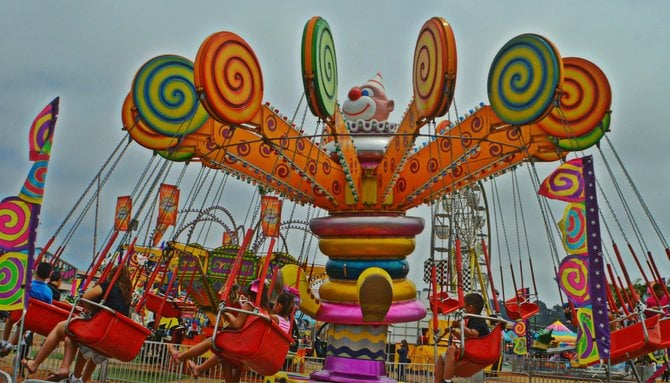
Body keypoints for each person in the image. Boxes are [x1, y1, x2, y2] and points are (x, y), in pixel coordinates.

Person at [21, 264, 132, 383]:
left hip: (97, 331)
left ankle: (35, 363)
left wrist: (90, 309)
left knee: (61, 328)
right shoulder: (127, 298)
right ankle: (75, 377)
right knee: (73, 336)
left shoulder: (108, 286)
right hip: (110, 338)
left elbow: (85, 297)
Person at [0, 261, 53, 357]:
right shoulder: (49, 292)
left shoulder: (27, 286)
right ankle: (10, 345)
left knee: (10, 319)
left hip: (19, 315)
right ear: (49, 275)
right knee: (22, 328)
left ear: (36, 271)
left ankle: (4, 341)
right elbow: (48, 307)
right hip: (33, 321)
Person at [434, 293, 490, 383]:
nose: (463, 311)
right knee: (442, 357)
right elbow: (467, 338)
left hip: (477, 351)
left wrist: (460, 325)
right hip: (475, 349)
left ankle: (447, 380)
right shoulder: (475, 319)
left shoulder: (476, 318)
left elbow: (473, 334)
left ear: (470, 308)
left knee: (451, 349)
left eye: (464, 308)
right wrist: (454, 332)